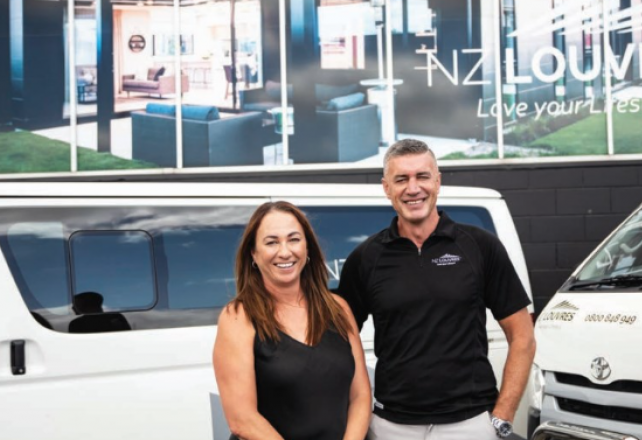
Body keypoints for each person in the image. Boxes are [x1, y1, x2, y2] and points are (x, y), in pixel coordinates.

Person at [338, 139, 536, 439]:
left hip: (470, 424)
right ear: (386, 188)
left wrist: (502, 416)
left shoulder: (479, 246)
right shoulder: (366, 258)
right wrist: (361, 413)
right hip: (392, 426)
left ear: (438, 181)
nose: (413, 188)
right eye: (401, 179)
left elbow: (522, 336)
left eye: (422, 176)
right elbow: (340, 343)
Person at [213, 201, 371, 440]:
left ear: (307, 248)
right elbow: (242, 419)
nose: (285, 251)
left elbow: (360, 396)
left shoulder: (338, 308)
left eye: (294, 239)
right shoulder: (238, 317)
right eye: (271, 242)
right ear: (254, 254)